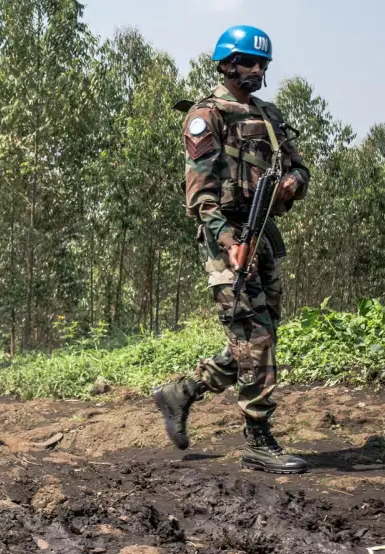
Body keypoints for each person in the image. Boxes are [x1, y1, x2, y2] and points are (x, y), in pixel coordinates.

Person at [153, 25, 309, 474]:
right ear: (227, 64)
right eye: (249, 62)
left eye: (263, 63)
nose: (257, 70)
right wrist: (228, 242)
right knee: (254, 336)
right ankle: (258, 440)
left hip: (264, 235)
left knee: (261, 336)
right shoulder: (207, 115)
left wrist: (293, 182)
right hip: (227, 238)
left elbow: (300, 167)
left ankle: (182, 392)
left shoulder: (270, 116)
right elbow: (200, 197)